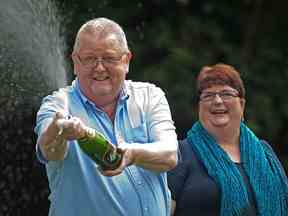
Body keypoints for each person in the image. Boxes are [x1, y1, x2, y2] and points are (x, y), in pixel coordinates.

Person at [34, 17, 178, 216]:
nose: (99, 68)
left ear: (126, 60)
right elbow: (50, 151)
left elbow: (170, 154)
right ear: (75, 62)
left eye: (109, 58)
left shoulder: (150, 96)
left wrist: (132, 155)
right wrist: (58, 132)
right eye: (89, 58)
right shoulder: (58, 104)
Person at [168, 63, 288, 216]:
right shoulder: (180, 153)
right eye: (208, 95)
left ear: (242, 105)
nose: (217, 100)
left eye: (226, 94)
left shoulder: (265, 153)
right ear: (199, 107)